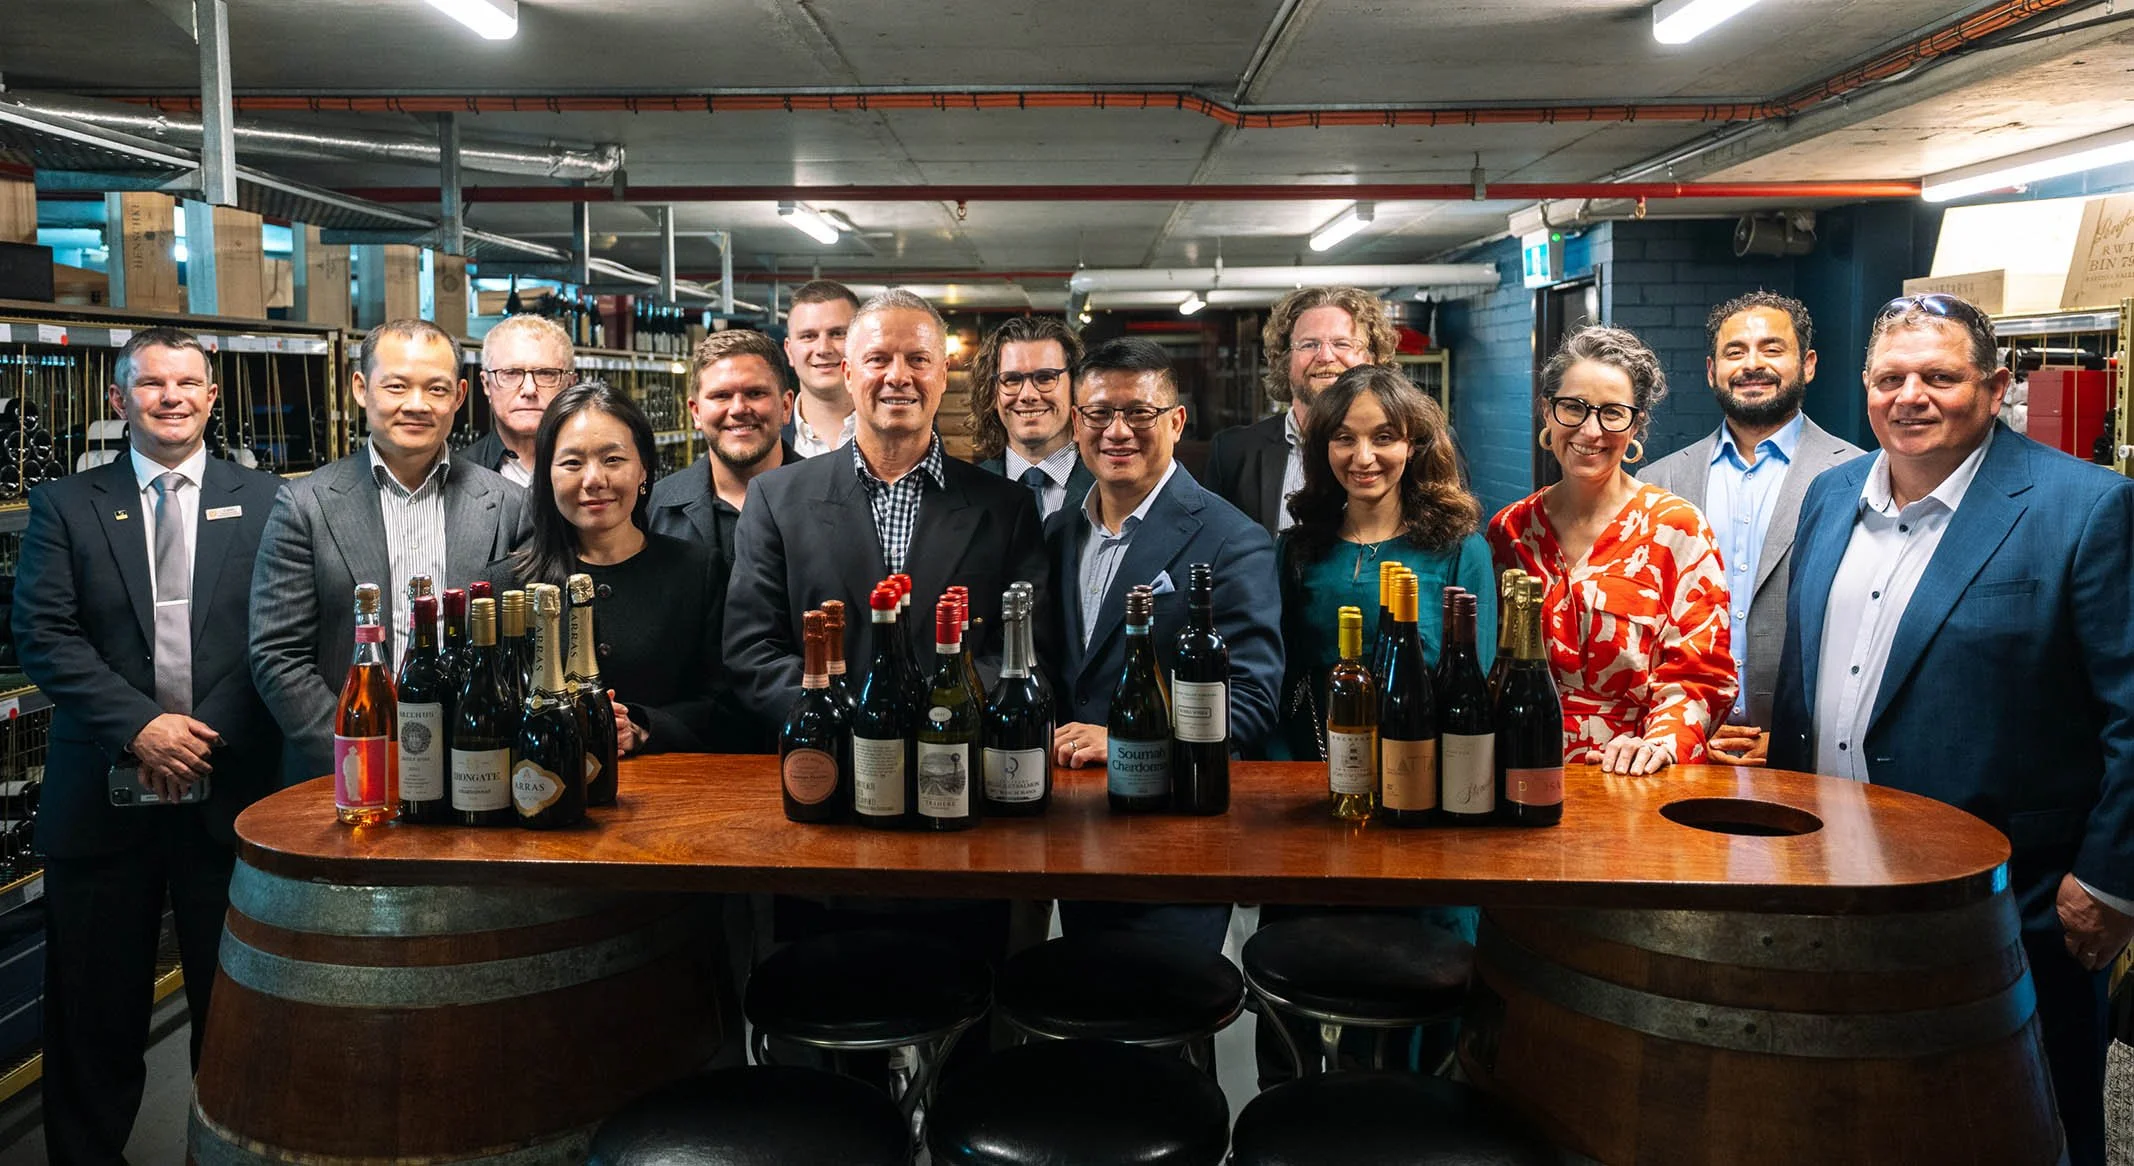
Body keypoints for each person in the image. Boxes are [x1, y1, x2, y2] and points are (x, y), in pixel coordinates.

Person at [1770, 293, 2134, 1166]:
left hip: (2015, 902)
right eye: (1891, 378)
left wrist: (2113, 884)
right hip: (1832, 886)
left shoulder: (2084, 508)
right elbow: (1803, 682)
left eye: (1941, 376)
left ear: (1997, 384)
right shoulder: (1828, 497)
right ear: (1863, 388)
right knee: (1855, 1113)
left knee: (2028, 1124)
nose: (1912, 396)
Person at [11, 327, 284, 1166]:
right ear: (116, 399)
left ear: (212, 396)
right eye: (151, 383)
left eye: (187, 383)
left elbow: (278, 633)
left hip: (230, 794)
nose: (171, 397)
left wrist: (199, 738)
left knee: (236, 1014)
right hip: (100, 801)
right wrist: (141, 728)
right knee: (93, 1020)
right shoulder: (67, 504)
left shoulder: (270, 499)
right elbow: (44, 635)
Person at [726, 287, 1050, 742]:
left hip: (959, 758)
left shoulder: (1006, 507)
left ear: (942, 374)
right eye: (878, 359)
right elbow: (753, 651)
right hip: (827, 761)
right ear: (848, 373)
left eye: (918, 360)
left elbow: (1027, 648)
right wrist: (843, 719)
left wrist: (946, 714)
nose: (898, 377)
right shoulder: (775, 500)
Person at [1048, 337, 1283, 951]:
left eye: (1140, 413)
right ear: (1077, 423)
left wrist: (1126, 739)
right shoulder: (1057, 533)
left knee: (1169, 1016)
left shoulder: (1232, 539)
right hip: (1072, 823)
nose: (1117, 431)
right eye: (1098, 413)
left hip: (1176, 823)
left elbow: (1252, 700)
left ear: (1176, 422)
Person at [250, 318, 532, 784]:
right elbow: (277, 656)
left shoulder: (509, 505)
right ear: (361, 388)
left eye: (436, 389)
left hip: (477, 764)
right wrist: (361, 753)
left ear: (460, 396)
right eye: (396, 386)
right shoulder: (305, 505)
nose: (417, 405)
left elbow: (518, 652)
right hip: (344, 773)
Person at [1487, 325, 1735, 776]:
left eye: (1612, 413)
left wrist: (1658, 744)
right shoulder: (1509, 532)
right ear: (1547, 410)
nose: (1591, 430)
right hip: (1519, 765)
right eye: (1573, 408)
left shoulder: (1676, 530)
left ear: (1636, 423)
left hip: (1635, 776)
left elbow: (1702, 675)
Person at [1638, 292, 1859, 764]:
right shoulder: (1659, 482)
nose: (1752, 364)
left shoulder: (1858, 479)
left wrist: (1789, 737)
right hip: (1683, 751)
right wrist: (1688, 728)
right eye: (1735, 351)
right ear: (1711, 370)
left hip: (1806, 755)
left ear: (1809, 364)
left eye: (1772, 348)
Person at [491, 381, 730, 753]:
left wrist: (643, 728)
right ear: (547, 476)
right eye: (572, 463)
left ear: (644, 470)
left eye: (613, 460)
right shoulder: (509, 585)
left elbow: (725, 705)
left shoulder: (696, 571)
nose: (594, 480)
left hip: (674, 795)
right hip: (543, 791)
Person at [1273, 364, 1496, 758]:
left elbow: (1476, 687)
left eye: (1384, 437)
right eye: (1344, 438)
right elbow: (1280, 679)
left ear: (1412, 445)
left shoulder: (1460, 549)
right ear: (1325, 447)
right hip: (1312, 764)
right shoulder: (1296, 550)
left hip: (1424, 769)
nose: (1363, 458)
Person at [1203, 286, 1397, 534]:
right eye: (1309, 344)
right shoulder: (1232, 453)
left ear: (1372, 358)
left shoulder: (1416, 445)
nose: (1325, 356)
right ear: (1285, 360)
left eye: (1342, 343)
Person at [648, 329, 797, 580]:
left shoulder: (829, 503)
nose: (738, 409)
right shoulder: (654, 510)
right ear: (696, 413)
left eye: (755, 393)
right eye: (721, 396)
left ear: (785, 406)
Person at [968, 316, 1092, 525]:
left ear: (1075, 385)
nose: (1028, 394)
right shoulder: (966, 492)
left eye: (1045, 377)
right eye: (1012, 379)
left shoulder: (1110, 487)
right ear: (993, 390)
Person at [463, 313, 577, 485]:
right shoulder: (454, 478)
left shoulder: (598, 473)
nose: (529, 389)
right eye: (511, 373)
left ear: (570, 385)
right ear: (486, 384)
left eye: (546, 374)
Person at [780, 280, 861, 457]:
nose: (823, 349)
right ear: (789, 351)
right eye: (808, 336)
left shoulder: (900, 433)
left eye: (838, 334)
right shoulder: (765, 440)